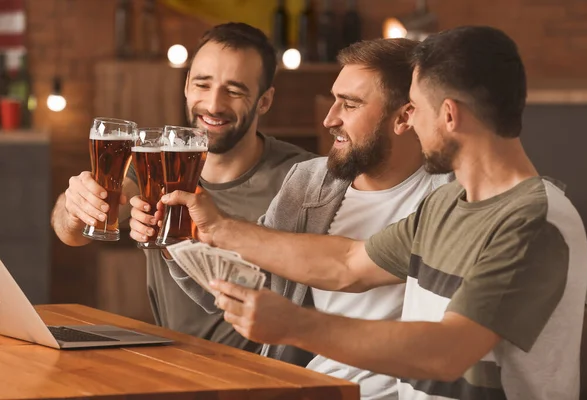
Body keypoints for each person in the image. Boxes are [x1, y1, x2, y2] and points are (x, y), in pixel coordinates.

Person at [161, 26, 587, 399]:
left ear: (449, 115)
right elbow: (347, 263)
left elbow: (446, 353)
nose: (411, 124)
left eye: (416, 109)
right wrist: (214, 227)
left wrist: (295, 325)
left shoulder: (532, 218)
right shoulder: (445, 206)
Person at [166, 38, 452, 399]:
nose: (329, 118)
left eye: (349, 104)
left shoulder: (450, 196)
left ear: (405, 116)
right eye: (334, 100)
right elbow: (254, 283)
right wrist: (179, 238)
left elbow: (346, 266)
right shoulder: (311, 181)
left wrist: (221, 227)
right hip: (307, 387)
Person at [50, 22, 314, 353]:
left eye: (234, 91)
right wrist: (76, 206)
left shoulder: (303, 176)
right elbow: (70, 234)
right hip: (174, 360)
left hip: (260, 375)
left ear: (264, 101)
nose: (213, 104)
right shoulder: (155, 163)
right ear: (187, 86)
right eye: (202, 84)